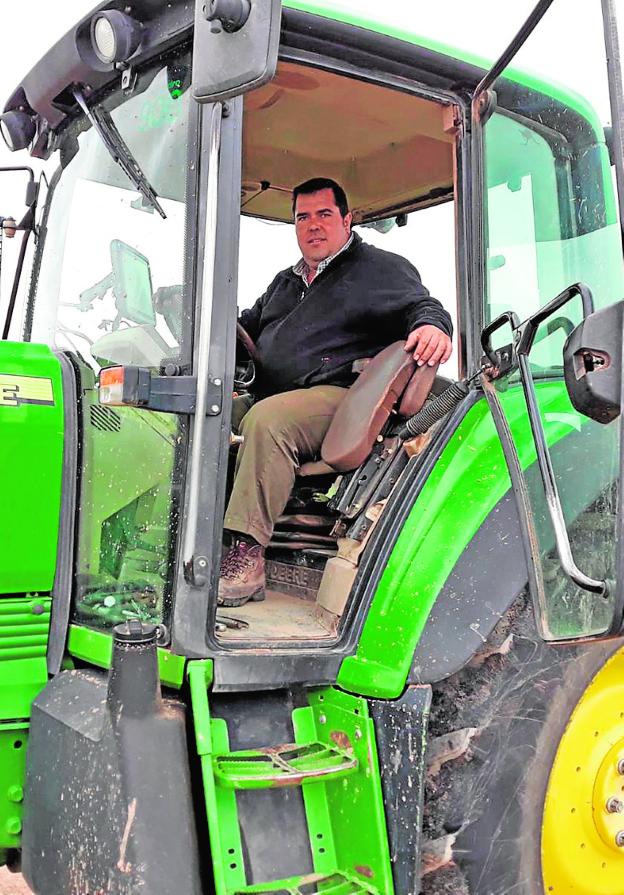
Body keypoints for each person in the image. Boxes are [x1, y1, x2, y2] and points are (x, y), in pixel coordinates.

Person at [218, 177, 452, 607]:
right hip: (271, 393)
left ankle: (247, 557)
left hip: (338, 396)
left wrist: (432, 326)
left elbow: (422, 305)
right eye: (303, 217)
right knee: (198, 413)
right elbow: (247, 328)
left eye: (324, 215)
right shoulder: (284, 283)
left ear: (347, 219)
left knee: (268, 423)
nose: (313, 226)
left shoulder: (376, 268)